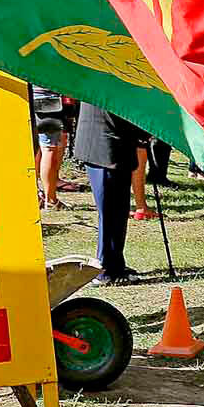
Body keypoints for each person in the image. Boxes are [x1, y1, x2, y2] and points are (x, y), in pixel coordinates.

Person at [74, 103, 142, 285]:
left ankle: (115, 264)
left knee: (117, 212)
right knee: (111, 213)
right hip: (104, 146)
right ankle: (104, 270)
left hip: (110, 145)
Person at [32, 85, 68, 211]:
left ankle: (35, 194)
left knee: (36, 147)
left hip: (30, 96)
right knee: (49, 149)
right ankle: (51, 200)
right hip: (48, 101)